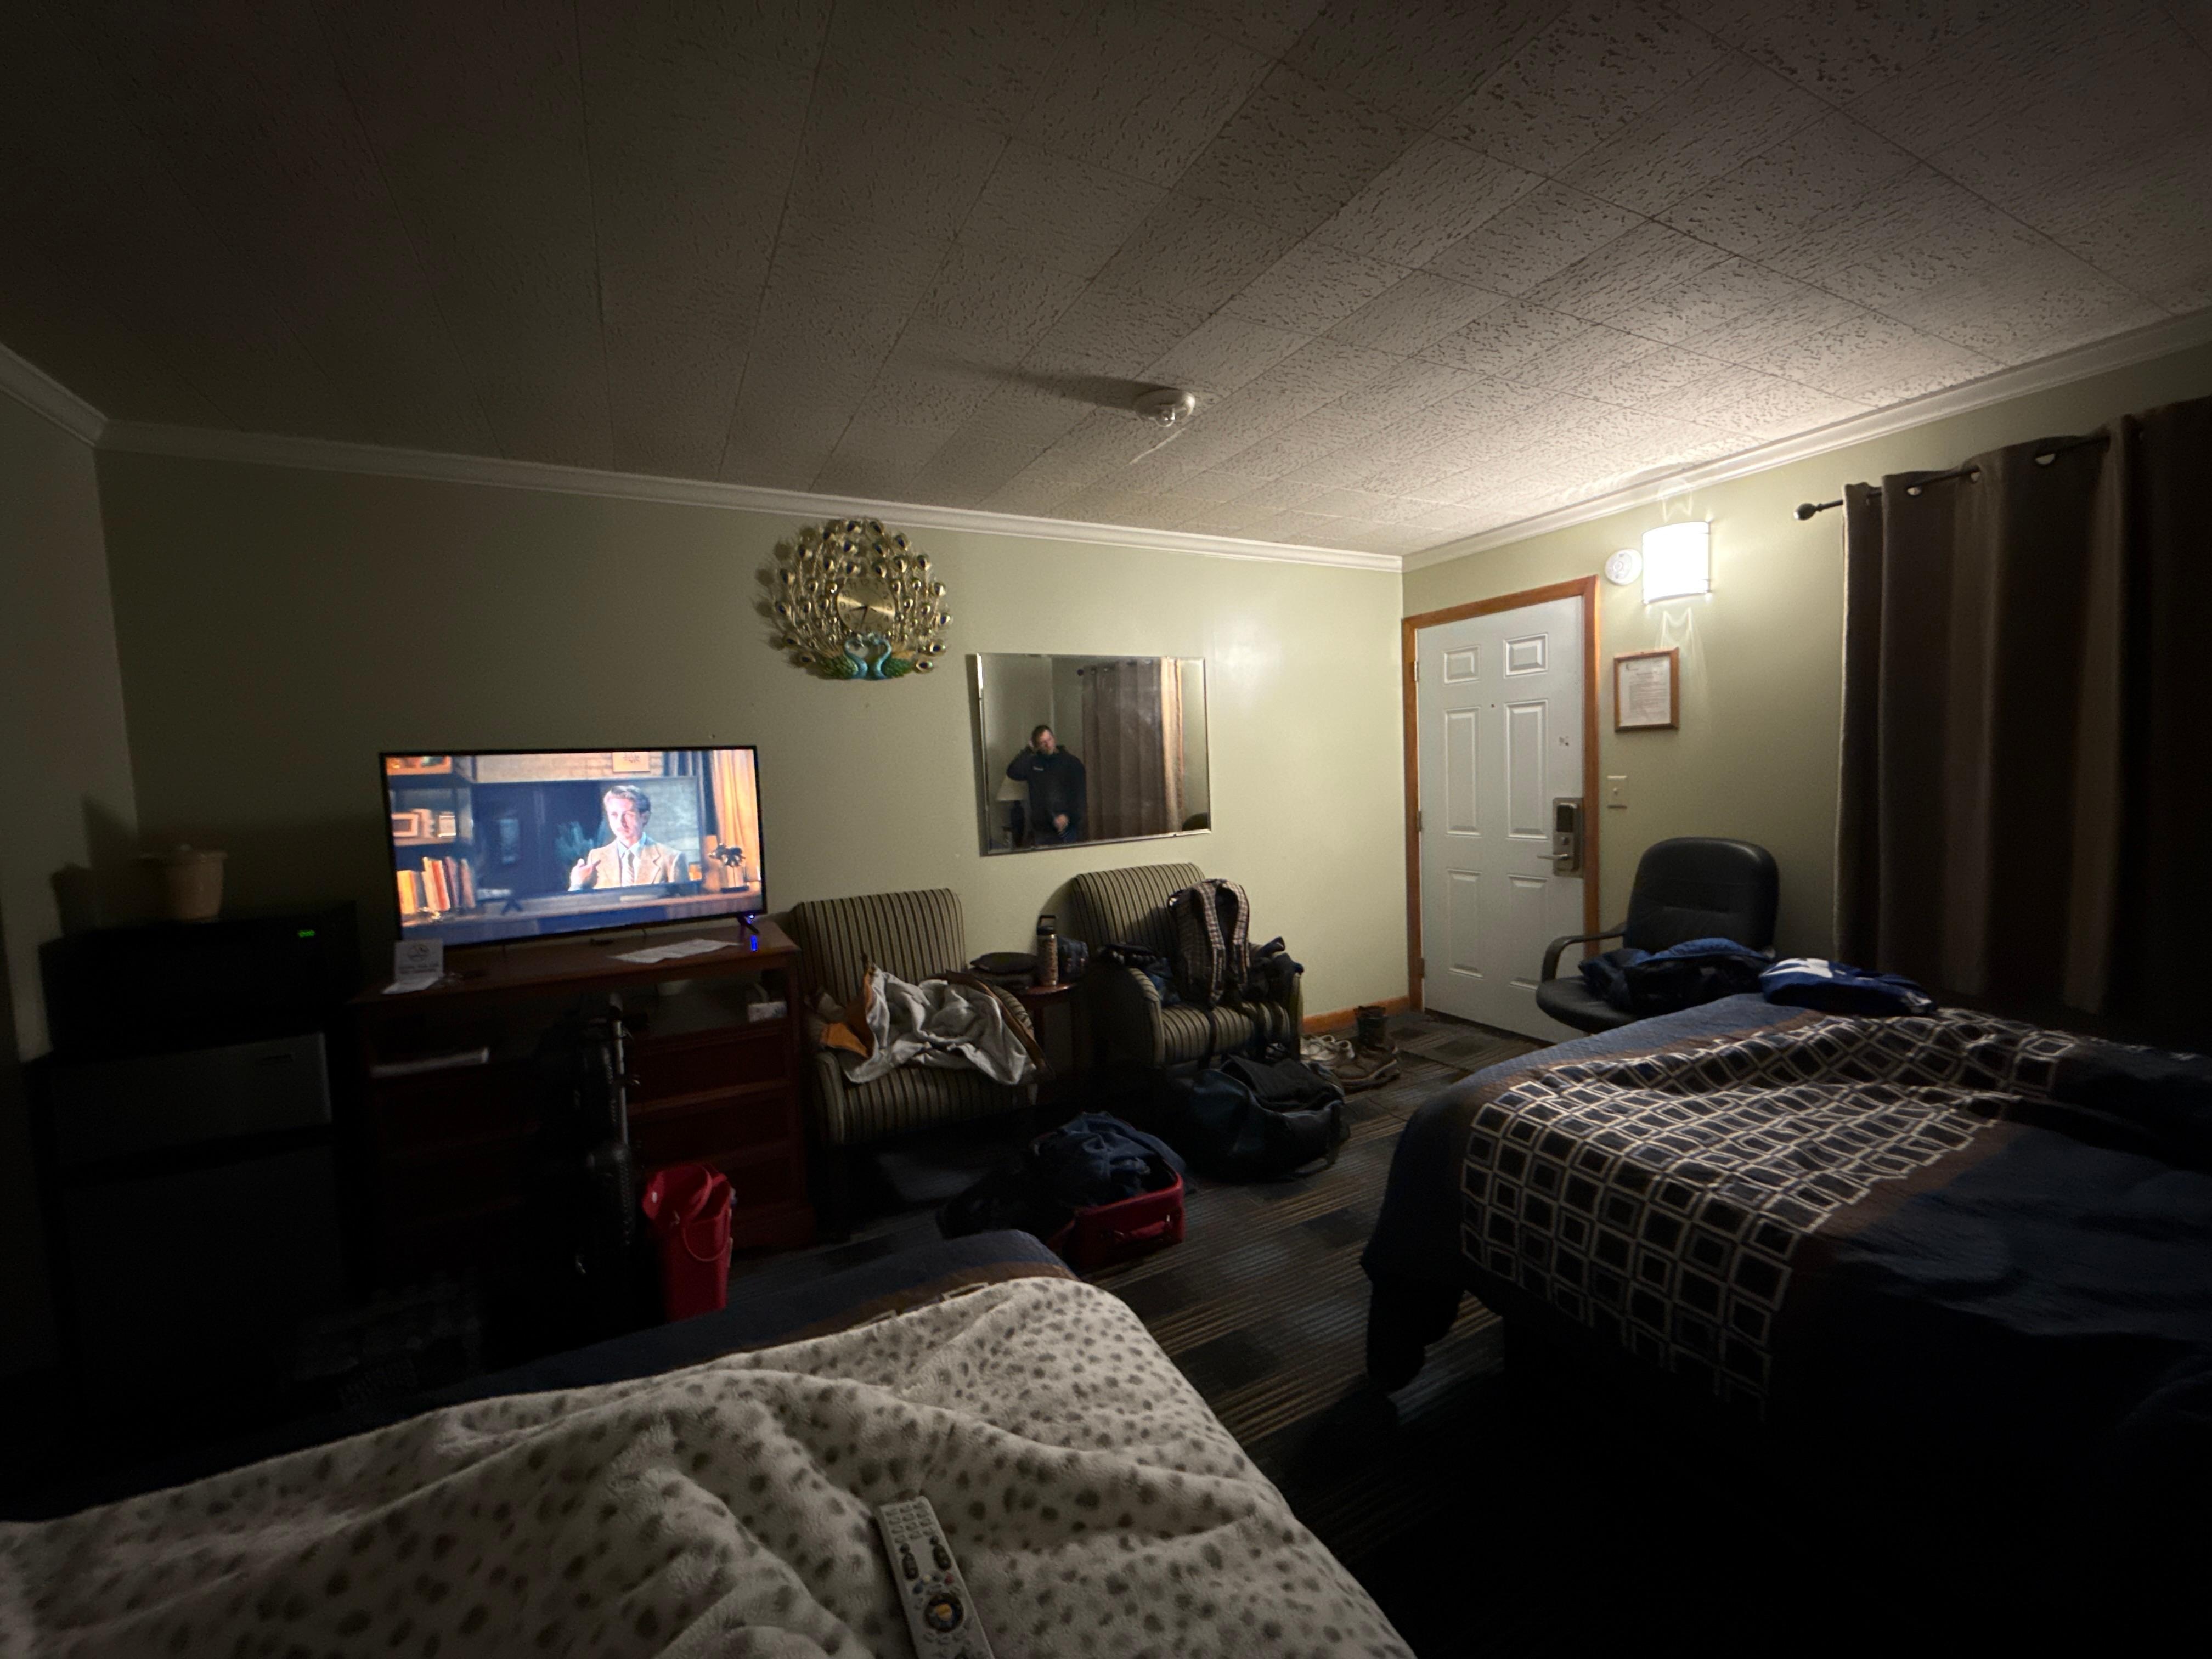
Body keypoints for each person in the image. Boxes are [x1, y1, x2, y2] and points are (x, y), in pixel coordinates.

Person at [569, 784, 690, 889]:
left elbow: (685, 904)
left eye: (628, 814)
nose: (620, 823)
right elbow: (585, 904)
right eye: (614, 815)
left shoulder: (672, 858)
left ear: (645, 817)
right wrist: (577, 884)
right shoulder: (596, 857)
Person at [1006, 725, 1087, 844]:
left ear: (1054, 738)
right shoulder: (1033, 763)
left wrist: (1069, 816)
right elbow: (1013, 772)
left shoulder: (1071, 762)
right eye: (1043, 743)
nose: (1048, 745)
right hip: (1041, 828)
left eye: (1049, 740)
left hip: (1067, 827)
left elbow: (1080, 794)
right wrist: (1028, 750)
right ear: (1038, 746)